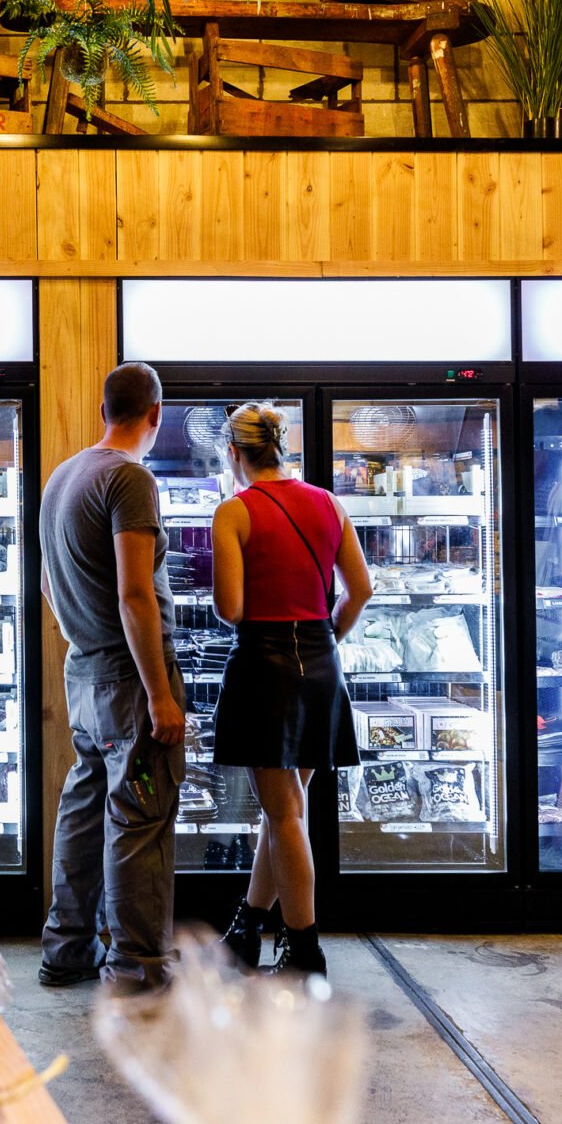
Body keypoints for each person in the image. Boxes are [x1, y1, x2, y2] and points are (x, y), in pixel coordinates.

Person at [38, 362, 185, 992]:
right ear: (155, 414)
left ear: (104, 411)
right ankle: (136, 968)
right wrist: (159, 694)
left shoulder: (62, 476)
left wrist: (84, 635)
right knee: (139, 818)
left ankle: (67, 949)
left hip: (84, 671)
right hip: (129, 679)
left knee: (84, 807)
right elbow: (135, 594)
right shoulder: (129, 478)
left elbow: (48, 583)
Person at [209, 404, 370, 978]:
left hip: (265, 669)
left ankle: (304, 951)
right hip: (321, 667)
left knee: (283, 816)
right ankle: (247, 927)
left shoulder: (234, 511)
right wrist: (327, 635)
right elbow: (360, 589)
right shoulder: (329, 503)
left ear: (234, 453)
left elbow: (231, 609)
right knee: (286, 812)